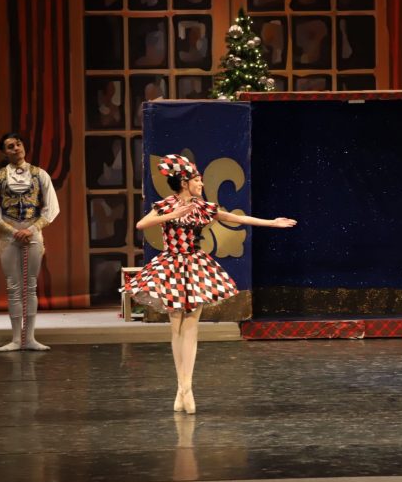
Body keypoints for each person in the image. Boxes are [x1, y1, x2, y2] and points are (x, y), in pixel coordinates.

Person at [121, 154, 296, 414]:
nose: (201, 184)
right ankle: (181, 387)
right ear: (184, 182)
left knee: (191, 324)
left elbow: (234, 218)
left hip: (194, 265)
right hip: (171, 265)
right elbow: (141, 224)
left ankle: (187, 388)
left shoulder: (203, 207)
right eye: (197, 180)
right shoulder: (166, 205)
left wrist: (271, 223)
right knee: (176, 325)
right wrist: (172, 215)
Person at [0, 133, 60, 351]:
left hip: (33, 232)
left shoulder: (40, 175)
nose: (16, 148)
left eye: (18, 144)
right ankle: (17, 338)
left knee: (31, 285)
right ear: (4, 152)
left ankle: (30, 338)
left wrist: (32, 229)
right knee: (13, 286)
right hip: (8, 235)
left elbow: (52, 208)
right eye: (10, 146)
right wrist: (13, 231)